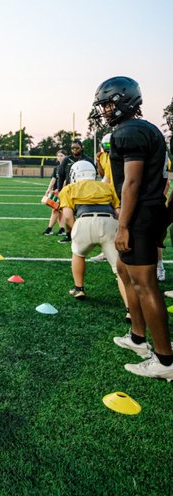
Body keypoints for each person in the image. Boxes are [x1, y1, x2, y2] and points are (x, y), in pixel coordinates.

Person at [93, 76, 173, 380]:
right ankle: (138, 339)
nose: (104, 110)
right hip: (147, 212)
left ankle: (165, 360)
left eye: (108, 103)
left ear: (124, 100)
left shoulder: (129, 132)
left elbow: (133, 182)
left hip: (138, 214)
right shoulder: (146, 128)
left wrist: (124, 226)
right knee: (126, 273)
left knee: (145, 284)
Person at [57, 166, 129, 308]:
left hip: (84, 220)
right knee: (119, 269)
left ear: (74, 174)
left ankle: (79, 288)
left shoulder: (69, 188)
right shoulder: (107, 187)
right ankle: (130, 309)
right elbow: (118, 212)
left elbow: (67, 215)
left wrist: (74, 230)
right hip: (109, 221)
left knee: (78, 253)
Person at [41, 149, 66, 235]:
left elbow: (66, 180)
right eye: (58, 155)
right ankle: (62, 229)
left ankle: (49, 229)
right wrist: (48, 189)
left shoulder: (67, 166)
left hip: (63, 192)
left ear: (65, 156)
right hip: (56, 191)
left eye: (62, 155)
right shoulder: (56, 168)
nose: (60, 157)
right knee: (59, 210)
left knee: (55, 210)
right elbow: (54, 179)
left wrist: (59, 189)